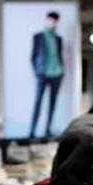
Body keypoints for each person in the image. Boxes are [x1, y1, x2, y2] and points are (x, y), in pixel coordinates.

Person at [29, 11, 65, 139]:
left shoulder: (59, 39)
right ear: (46, 20)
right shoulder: (38, 36)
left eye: (55, 21)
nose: (53, 23)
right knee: (38, 102)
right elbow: (33, 56)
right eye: (50, 20)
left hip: (57, 74)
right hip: (43, 73)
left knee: (52, 103)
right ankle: (32, 131)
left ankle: (47, 130)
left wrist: (62, 71)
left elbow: (59, 56)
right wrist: (37, 71)